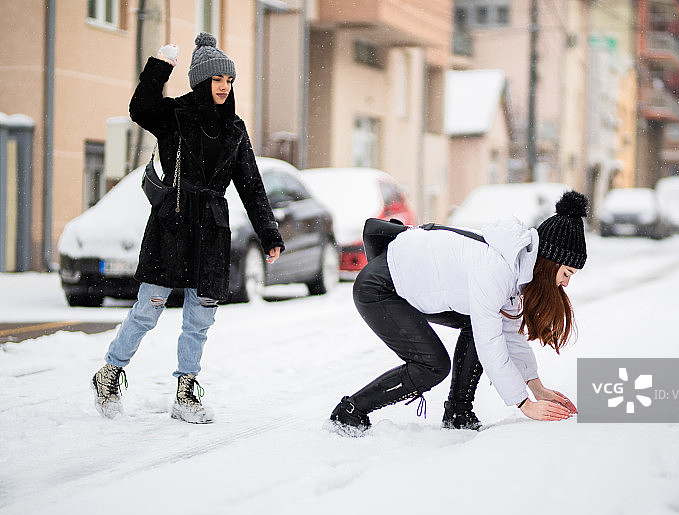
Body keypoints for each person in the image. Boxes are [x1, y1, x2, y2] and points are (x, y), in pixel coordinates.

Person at [91, 33, 284, 423]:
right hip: (173, 225)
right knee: (148, 309)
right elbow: (140, 108)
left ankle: (186, 391)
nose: (224, 87)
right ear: (201, 81)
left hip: (212, 229)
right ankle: (109, 373)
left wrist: (269, 234)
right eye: (217, 80)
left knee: (199, 319)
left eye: (229, 80)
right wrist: (160, 67)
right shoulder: (176, 115)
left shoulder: (235, 128)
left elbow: (251, 183)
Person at [329, 191, 587, 435]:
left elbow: (508, 333)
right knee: (432, 366)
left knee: (480, 326)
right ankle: (349, 412)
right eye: (566, 273)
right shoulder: (496, 268)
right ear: (549, 263)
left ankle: (458, 413)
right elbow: (490, 343)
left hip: (411, 285)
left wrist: (536, 387)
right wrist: (524, 403)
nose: (566, 283)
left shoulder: (516, 265)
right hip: (380, 289)